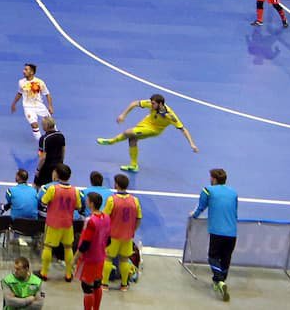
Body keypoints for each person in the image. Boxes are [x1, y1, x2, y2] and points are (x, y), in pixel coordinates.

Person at [96, 93, 197, 172]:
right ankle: (134, 165)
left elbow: (183, 129)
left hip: (154, 130)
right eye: (151, 103)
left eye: (153, 104)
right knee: (132, 139)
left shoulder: (170, 115)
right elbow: (134, 103)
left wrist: (192, 144)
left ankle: (111, 141)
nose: (151, 105)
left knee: (128, 132)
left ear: (160, 104)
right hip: (146, 123)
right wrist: (123, 115)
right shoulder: (152, 104)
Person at [192, 168, 239, 302]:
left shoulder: (208, 190)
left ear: (214, 179)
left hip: (217, 232)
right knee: (226, 258)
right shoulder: (233, 192)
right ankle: (219, 282)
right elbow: (235, 211)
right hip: (232, 232)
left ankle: (219, 280)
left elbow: (201, 207)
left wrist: (193, 216)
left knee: (212, 257)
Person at [38, 164, 80, 282]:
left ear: (56, 174)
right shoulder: (75, 190)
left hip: (53, 223)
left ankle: (44, 273)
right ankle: (68, 274)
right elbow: (78, 206)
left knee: (48, 247)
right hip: (68, 224)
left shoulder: (52, 189)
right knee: (68, 248)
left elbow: (43, 201)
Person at [103, 174, 141, 290]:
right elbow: (138, 218)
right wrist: (132, 230)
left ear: (116, 185)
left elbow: (105, 217)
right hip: (127, 236)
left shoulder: (112, 200)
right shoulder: (135, 200)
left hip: (113, 235)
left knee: (108, 258)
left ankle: (104, 284)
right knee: (124, 260)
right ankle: (124, 285)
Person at [76, 192, 110, 310]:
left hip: (89, 258)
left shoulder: (90, 221)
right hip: (100, 257)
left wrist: (74, 258)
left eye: (87, 200)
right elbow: (108, 239)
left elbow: (85, 243)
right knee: (97, 284)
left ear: (91, 203)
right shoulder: (106, 218)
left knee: (87, 287)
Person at [36, 117, 66, 187]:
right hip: (58, 166)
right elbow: (63, 150)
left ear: (46, 126)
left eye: (42, 125)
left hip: (46, 168)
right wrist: (61, 163)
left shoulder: (44, 138)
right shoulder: (61, 135)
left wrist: (38, 170)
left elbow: (43, 157)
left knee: (37, 186)